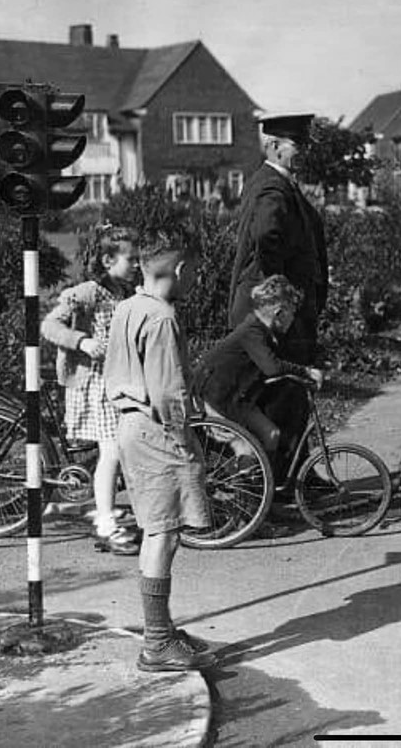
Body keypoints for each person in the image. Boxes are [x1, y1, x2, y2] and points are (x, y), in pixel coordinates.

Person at [103, 229, 215, 673]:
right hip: (158, 432)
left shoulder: (127, 307)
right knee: (163, 534)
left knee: (158, 531)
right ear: (181, 269)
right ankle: (156, 642)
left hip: (131, 426)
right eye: (194, 272)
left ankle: (161, 629)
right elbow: (169, 394)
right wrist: (187, 439)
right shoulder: (163, 317)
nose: (195, 280)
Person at [228, 112, 329, 475]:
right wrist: (280, 295)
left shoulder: (277, 183)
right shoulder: (272, 187)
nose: (304, 152)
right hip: (276, 314)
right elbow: (266, 237)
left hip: (280, 312)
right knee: (280, 394)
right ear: (273, 146)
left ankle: (295, 475)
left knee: (289, 394)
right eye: (298, 144)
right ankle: (273, 480)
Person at [40, 225, 140, 556]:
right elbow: (49, 325)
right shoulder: (88, 292)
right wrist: (82, 341)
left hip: (118, 382)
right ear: (108, 260)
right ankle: (105, 523)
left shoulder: (126, 292)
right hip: (96, 384)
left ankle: (107, 506)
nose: (137, 265)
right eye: (131, 259)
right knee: (113, 450)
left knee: (123, 448)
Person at [193, 275, 323, 473]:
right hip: (215, 396)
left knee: (271, 434)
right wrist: (306, 372)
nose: (292, 318)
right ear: (279, 312)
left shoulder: (264, 333)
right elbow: (272, 367)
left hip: (235, 397)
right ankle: (244, 488)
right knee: (244, 448)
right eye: (292, 312)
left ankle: (265, 482)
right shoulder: (251, 331)